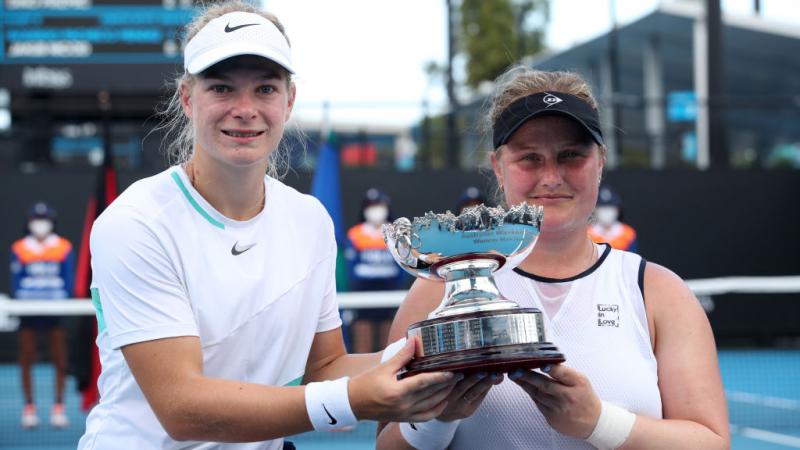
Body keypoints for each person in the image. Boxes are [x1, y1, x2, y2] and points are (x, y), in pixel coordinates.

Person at [77, 2, 459, 449]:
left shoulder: (310, 219)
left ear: (289, 100)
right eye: (221, 88)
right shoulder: (135, 223)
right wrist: (352, 400)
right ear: (187, 98)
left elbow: (324, 368)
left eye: (265, 89)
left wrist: (435, 355)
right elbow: (181, 407)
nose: (245, 109)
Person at [377, 68, 729, 449]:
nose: (551, 176)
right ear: (498, 166)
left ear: (600, 162)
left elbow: (711, 442)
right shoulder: (439, 289)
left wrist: (598, 423)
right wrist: (436, 418)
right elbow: (387, 446)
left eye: (571, 155)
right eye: (529, 158)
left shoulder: (658, 293)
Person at [10, 201, 73, 429]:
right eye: (36, 220)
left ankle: (59, 407)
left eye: (44, 219)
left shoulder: (63, 247)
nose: (40, 224)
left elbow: (68, 280)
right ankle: (29, 408)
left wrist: (60, 299)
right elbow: (16, 281)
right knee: (26, 356)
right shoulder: (20, 248)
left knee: (60, 358)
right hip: (28, 309)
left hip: (55, 309)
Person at [344, 188, 408, 353]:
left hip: (390, 294)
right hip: (363, 296)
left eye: (379, 205)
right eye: (371, 205)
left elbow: (403, 266)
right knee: (363, 344)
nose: (376, 209)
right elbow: (351, 270)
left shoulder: (395, 233)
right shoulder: (355, 234)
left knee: (389, 346)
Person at [588, 185, 638, 252]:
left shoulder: (628, 234)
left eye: (610, 208)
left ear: (617, 210)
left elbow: (632, 259)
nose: (606, 212)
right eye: (602, 208)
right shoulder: (587, 234)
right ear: (595, 210)